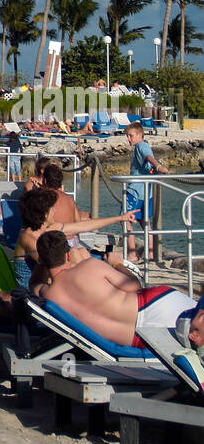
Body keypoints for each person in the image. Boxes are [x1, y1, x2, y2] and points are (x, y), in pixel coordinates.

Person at [33, 232, 202, 350]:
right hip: (152, 306)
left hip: (139, 340)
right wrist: (116, 264)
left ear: (41, 259)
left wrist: (42, 263)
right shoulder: (90, 266)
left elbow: (33, 284)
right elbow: (134, 285)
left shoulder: (49, 295)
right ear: (68, 255)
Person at [13, 189, 132, 289]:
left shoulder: (50, 228)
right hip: (33, 291)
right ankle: (100, 288)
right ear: (44, 213)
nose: (55, 210)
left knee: (81, 252)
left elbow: (84, 226)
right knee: (75, 254)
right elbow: (54, 264)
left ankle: (99, 289)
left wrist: (120, 218)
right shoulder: (28, 237)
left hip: (51, 284)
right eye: (52, 208)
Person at [124, 122, 169, 261]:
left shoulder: (141, 146)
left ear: (139, 135)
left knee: (124, 218)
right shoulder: (145, 145)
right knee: (145, 222)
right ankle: (150, 253)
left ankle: (132, 253)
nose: (129, 139)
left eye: (131, 136)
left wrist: (158, 166)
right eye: (127, 136)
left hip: (136, 191)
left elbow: (148, 157)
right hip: (146, 191)